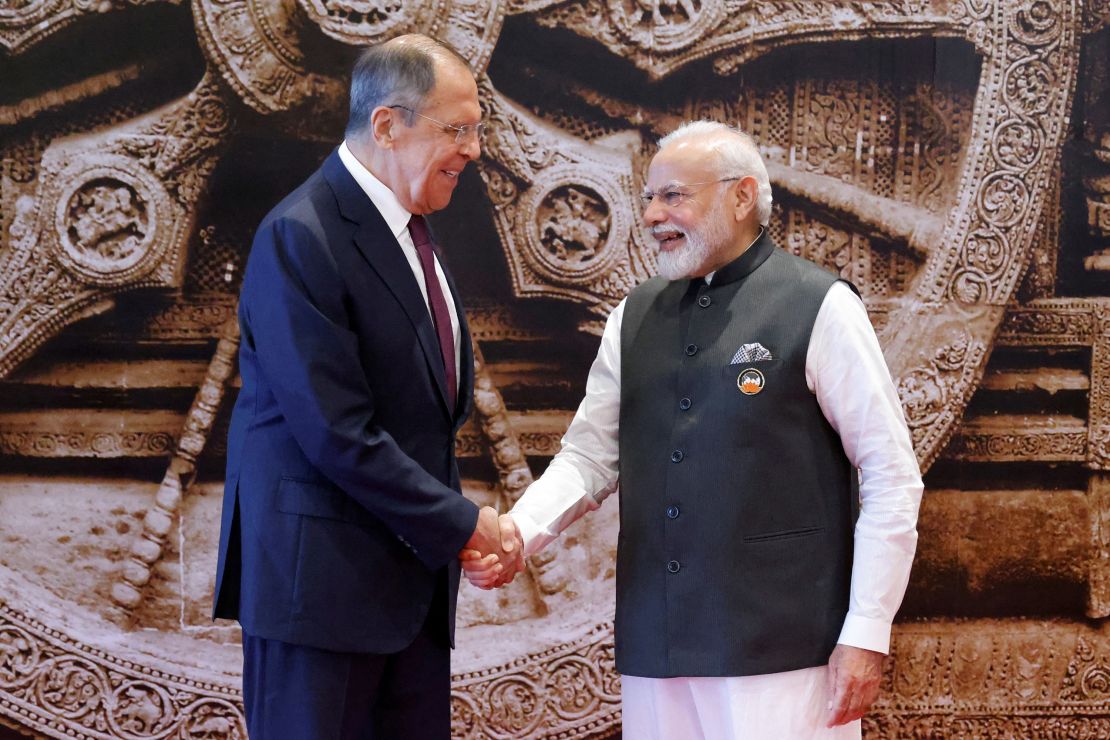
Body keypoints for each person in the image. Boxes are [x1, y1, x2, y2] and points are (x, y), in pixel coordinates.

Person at [463, 121, 923, 738]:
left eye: (673, 195)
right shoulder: (634, 316)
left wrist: (867, 632)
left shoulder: (820, 305)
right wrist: (521, 531)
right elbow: (589, 457)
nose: (652, 214)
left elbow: (892, 475)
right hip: (658, 646)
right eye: (649, 197)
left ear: (741, 197)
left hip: (781, 652)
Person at [213, 35, 522, 739]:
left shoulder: (411, 231)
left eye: (477, 130)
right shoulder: (301, 234)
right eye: (458, 129)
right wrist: (464, 525)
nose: (473, 150)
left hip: (406, 600)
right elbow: (335, 430)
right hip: (319, 603)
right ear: (387, 126)